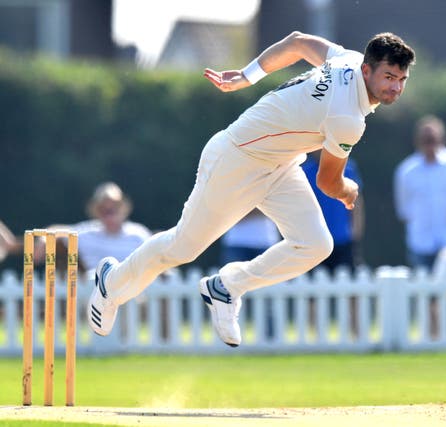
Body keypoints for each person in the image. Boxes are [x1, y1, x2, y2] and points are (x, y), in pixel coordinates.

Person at [88, 31, 416, 348]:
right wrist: (348, 190)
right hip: (237, 159)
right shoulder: (348, 118)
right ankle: (111, 282)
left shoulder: (347, 59)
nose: (395, 87)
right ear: (367, 70)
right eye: (388, 77)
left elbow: (299, 42)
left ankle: (226, 287)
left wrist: (248, 75)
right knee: (182, 247)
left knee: (315, 244)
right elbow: (328, 183)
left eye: (401, 79)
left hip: (280, 164)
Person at [394, 115, 446, 270]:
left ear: (442, 138)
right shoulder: (406, 171)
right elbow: (404, 211)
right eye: (425, 139)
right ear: (417, 140)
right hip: (421, 244)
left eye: (432, 138)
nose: (429, 142)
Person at [35, 182, 153, 275]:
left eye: (113, 209)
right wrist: (44, 240)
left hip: (134, 297)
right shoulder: (87, 233)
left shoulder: (138, 233)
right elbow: (57, 231)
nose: (109, 214)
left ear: (122, 208)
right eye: (105, 210)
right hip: (94, 296)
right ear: (97, 211)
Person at [301, 150, 365, 272]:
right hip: (315, 244)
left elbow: (357, 206)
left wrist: (355, 237)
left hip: (343, 241)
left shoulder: (348, 169)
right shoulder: (304, 173)